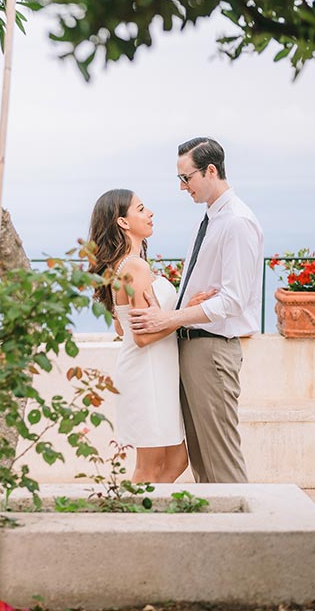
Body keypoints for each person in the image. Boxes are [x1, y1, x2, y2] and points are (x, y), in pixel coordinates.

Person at [129, 137, 263, 484]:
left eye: (186, 178)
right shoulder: (208, 221)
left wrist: (170, 318)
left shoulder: (237, 222)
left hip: (213, 350)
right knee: (203, 463)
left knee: (221, 461)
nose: (182, 187)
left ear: (211, 171)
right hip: (192, 346)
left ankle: (241, 534)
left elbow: (233, 300)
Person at [88, 188, 210, 483]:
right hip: (147, 372)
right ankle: (133, 523)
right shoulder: (135, 267)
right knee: (149, 466)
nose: (150, 213)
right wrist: (182, 317)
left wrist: (167, 318)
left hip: (156, 370)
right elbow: (141, 338)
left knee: (178, 458)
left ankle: (150, 512)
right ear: (123, 222)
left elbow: (122, 328)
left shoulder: (127, 265)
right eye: (141, 209)